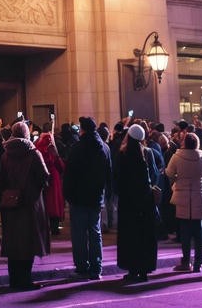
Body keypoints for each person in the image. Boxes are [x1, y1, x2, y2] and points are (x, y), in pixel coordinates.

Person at [0, 120, 49, 290]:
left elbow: (0, 180)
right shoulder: (33, 153)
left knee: (13, 242)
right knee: (28, 242)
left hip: (11, 203)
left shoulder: (6, 154)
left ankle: (14, 280)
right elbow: (44, 176)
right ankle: (25, 280)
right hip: (30, 204)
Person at [63, 116, 111, 280]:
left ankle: (82, 267)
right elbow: (108, 174)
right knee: (95, 233)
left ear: (83, 129)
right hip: (96, 197)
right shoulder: (104, 148)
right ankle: (96, 268)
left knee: (79, 234)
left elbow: (70, 174)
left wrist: (68, 195)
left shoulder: (78, 148)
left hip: (79, 197)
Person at [116, 124, 160, 281]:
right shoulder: (148, 153)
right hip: (146, 200)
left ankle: (133, 269)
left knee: (131, 236)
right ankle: (144, 269)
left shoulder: (124, 154)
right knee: (145, 235)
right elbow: (155, 175)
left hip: (129, 202)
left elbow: (119, 179)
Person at [166, 131, 202, 273]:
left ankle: (186, 262)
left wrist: (178, 175)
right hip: (199, 193)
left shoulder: (177, 156)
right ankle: (199, 263)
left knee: (185, 231)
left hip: (182, 194)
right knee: (198, 231)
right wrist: (200, 176)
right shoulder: (201, 156)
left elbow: (169, 172)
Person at [33, 131, 65, 235]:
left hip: (42, 179)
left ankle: (42, 227)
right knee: (54, 204)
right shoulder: (52, 151)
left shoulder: (37, 150)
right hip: (53, 179)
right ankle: (54, 227)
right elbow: (61, 167)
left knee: (43, 204)